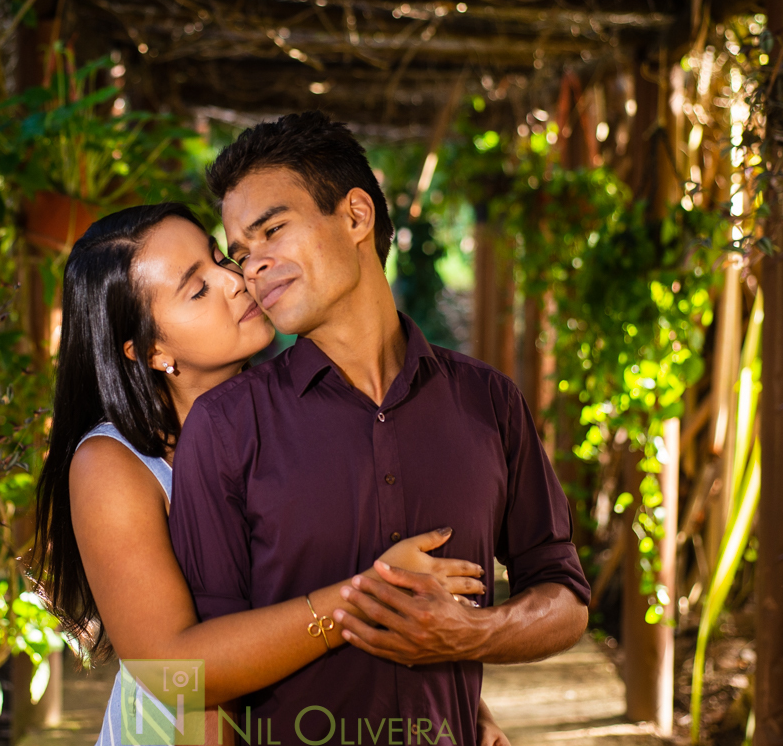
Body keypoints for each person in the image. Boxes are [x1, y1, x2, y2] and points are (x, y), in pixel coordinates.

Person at [168, 112, 591, 746]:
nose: (252, 267)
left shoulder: (489, 401)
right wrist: (360, 603)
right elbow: (198, 676)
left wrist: (472, 635)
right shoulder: (228, 426)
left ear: (357, 216)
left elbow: (564, 596)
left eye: (273, 231)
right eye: (241, 253)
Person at [31, 203, 511, 746]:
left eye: (219, 259)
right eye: (197, 289)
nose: (235, 282)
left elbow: (317, 569)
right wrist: (367, 598)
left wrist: (468, 711)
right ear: (150, 351)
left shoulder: (305, 412)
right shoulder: (114, 465)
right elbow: (173, 673)